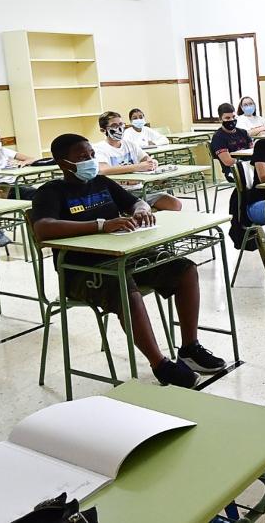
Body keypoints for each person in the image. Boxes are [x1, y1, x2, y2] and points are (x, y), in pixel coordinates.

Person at [31, 133, 225, 387]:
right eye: (82, 157)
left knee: (184, 270)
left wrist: (142, 211)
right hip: (80, 269)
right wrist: (101, 225)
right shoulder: (51, 192)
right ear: (63, 163)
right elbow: (43, 228)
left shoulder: (102, 182)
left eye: (91, 155)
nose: (90, 160)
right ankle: (160, 365)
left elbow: (135, 203)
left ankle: (189, 347)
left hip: (124, 257)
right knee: (125, 289)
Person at [93, 111, 181, 212]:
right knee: (143, 210)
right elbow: (104, 170)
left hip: (139, 189)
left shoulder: (130, 144)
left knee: (175, 204)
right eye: (114, 125)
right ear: (103, 130)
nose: (119, 128)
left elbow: (146, 159)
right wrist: (139, 167)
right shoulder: (99, 148)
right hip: (120, 192)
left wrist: (152, 162)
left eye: (121, 124)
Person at [210, 102, 252, 181]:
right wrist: (245, 163)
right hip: (233, 170)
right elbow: (228, 161)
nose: (231, 120)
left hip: (250, 166)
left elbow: (253, 151)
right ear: (220, 119)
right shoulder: (218, 137)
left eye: (233, 117)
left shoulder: (243, 132)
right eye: (227, 118)